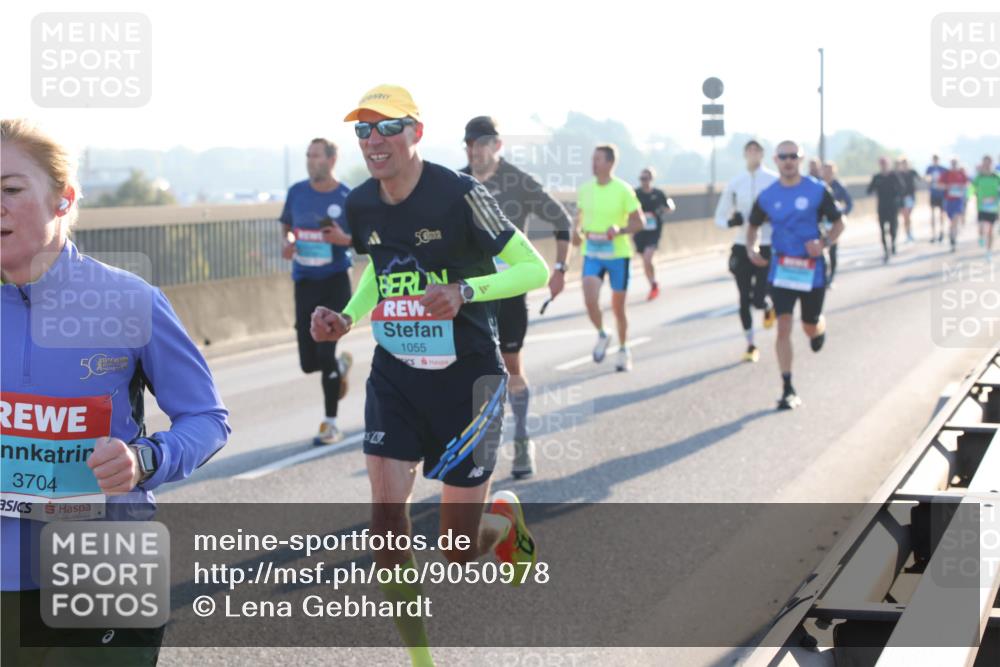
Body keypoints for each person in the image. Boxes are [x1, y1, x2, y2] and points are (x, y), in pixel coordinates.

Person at [310, 85, 549, 667]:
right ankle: (422, 662)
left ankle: (502, 522)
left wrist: (466, 290)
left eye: (387, 127)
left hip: (468, 379)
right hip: (396, 376)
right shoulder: (361, 204)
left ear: (416, 132)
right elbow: (380, 269)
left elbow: (533, 268)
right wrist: (348, 316)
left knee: (457, 548)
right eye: (363, 130)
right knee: (386, 524)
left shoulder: (461, 193)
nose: (373, 140)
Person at [1, 119, 230, 665]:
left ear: (63, 198)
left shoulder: (130, 301)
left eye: (10, 189)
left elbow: (207, 419)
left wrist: (144, 459)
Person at [460, 115, 573, 479]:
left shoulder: (519, 182)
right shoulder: (455, 184)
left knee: (511, 369)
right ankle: (476, 445)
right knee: (468, 371)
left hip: (509, 291)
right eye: (469, 144)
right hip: (469, 293)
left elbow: (562, 221)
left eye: (481, 144)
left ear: (497, 145)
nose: (474, 151)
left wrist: (560, 269)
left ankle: (522, 437)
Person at [746, 140, 845, 410]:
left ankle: (817, 329)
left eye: (793, 156)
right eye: (783, 156)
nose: (788, 161)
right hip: (782, 269)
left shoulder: (817, 190)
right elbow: (752, 226)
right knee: (783, 326)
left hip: (812, 270)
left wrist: (824, 242)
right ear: (776, 160)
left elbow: (839, 222)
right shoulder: (768, 195)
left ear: (800, 159)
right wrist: (752, 248)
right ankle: (787, 387)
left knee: (808, 326)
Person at [280, 138, 354, 445]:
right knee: (309, 363)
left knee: (325, 352)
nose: (311, 161)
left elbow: (361, 238)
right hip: (305, 282)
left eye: (317, 156)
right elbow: (287, 226)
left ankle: (330, 424)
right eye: (308, 156)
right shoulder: (297, 192)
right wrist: (288, 243)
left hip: (335, 281)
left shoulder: (346, 196)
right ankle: (339, 367)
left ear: (332, 160)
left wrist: (342, 239)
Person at [573, 144, 646, 371]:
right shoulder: (585, 189)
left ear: (610, 163)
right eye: (592, 159)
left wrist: (620, 229)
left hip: (617, 255)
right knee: (589, 298)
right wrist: (575, 231)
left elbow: (639, 222)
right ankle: (603, 333)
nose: (593, 163)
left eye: (598, 159)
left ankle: (624, 349)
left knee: (618, 307)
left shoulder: (623, 190)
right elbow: (578, 217)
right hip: (592, 253)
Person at [714, 139, 778, 362]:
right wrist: (732, 222)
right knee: (743, 298)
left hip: (766, 244)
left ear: (762, 154)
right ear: (744, 154)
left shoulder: (773, 180)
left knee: (758, 298)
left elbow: (783, 211)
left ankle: (767, 305)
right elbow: (719, 218)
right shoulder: (735, 183)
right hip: (742, 245)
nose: (752, 153)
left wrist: (772, 218)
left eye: (756, 150)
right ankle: (750, 345)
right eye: (749, 150)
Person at [633, 167, 674, 300]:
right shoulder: (635, 193)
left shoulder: (659, 193)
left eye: (646, 178)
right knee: (645, 261)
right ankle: (653, 283)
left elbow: (670, 205)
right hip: (639, 231)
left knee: (647, 257)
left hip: (654, 230)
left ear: (651, 179)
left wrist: (662, 210)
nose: (643, 181)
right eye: (641, 179)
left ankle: (653, 283)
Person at [821, 162, 853, 287]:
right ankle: (823, 276)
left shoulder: (838, 186)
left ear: (834, 172)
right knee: (821, 250)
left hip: (834, 223)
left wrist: (842, 214)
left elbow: (849, 203)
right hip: (820, 223)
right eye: (825, 170)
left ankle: (831, 277)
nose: (827, 173)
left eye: (830, 171)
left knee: (832, 249)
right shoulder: (817, 185)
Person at [866, 157, 904, 262]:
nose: (884, 166)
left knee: (893, 228)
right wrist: (873, 186)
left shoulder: (894, 176)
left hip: (893, 206)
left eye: (885, 164)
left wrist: (898, 198)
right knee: (882, 229)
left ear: (888, 165)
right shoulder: (877, 177)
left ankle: (893, 243)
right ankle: (886, 250)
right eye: (882, 164)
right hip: (882, 207)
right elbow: (869, 190)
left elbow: (902, 188)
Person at [971, 155, 1000, 261]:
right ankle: (981, 237)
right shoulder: (979, 176)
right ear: (983, 163)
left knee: (991, 231)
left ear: (991, 163)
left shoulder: (996, 176)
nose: (987, 165)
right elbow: (972, 187)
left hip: (993, 208)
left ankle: (988, 252)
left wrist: (996, 197)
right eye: (985, 162)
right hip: (981, 207)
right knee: (982, 228)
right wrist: (973, 194)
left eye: (989, 162)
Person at [940, 158, 970, 253]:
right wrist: (947, 186)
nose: (954, 165)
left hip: (958, 200)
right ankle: (952, 235)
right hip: (948, 201)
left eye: (955, 163)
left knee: (955, 220)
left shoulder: (961, 173)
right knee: (951, 221)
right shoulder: (946, 174)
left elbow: (967, 184)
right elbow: (938, 185)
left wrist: (962, 187)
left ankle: (953, 240)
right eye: (952, 163)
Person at [896, 157, 920, 243]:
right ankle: (908, 234)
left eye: (906, 163)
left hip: (911, 197)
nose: (905, 165)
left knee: (908, 217)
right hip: (902, 198)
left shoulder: (912, 172)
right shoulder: (898, 174)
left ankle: (909, 232)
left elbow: (920, 178)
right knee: (906, 217)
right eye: (903, 163)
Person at [925, 154, 947, 243]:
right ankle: (933, 234)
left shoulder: (943, 169)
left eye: (936, 159)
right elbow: (926, 177)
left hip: (941, 194)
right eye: (934, 159)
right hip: (933, 194)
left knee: (941, 214)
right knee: (933, 214)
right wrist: (928, 179)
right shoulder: (930, 168)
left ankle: (941, 231)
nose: (935, 161)